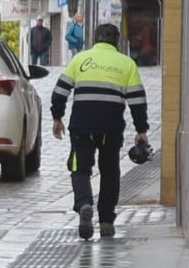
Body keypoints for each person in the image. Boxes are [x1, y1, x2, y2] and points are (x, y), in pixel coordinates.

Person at [51, 23, 151, 242]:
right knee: (110, 172)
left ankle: (85, 203)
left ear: (94, 39)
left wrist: (57, 117)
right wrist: (141, 130)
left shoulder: (80, 60)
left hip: (82, 126)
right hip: (111, 128)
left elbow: (60, 91)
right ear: (116, 42)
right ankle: (106, 221)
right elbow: (137, 101)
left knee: (80, 168)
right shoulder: (127, 64)